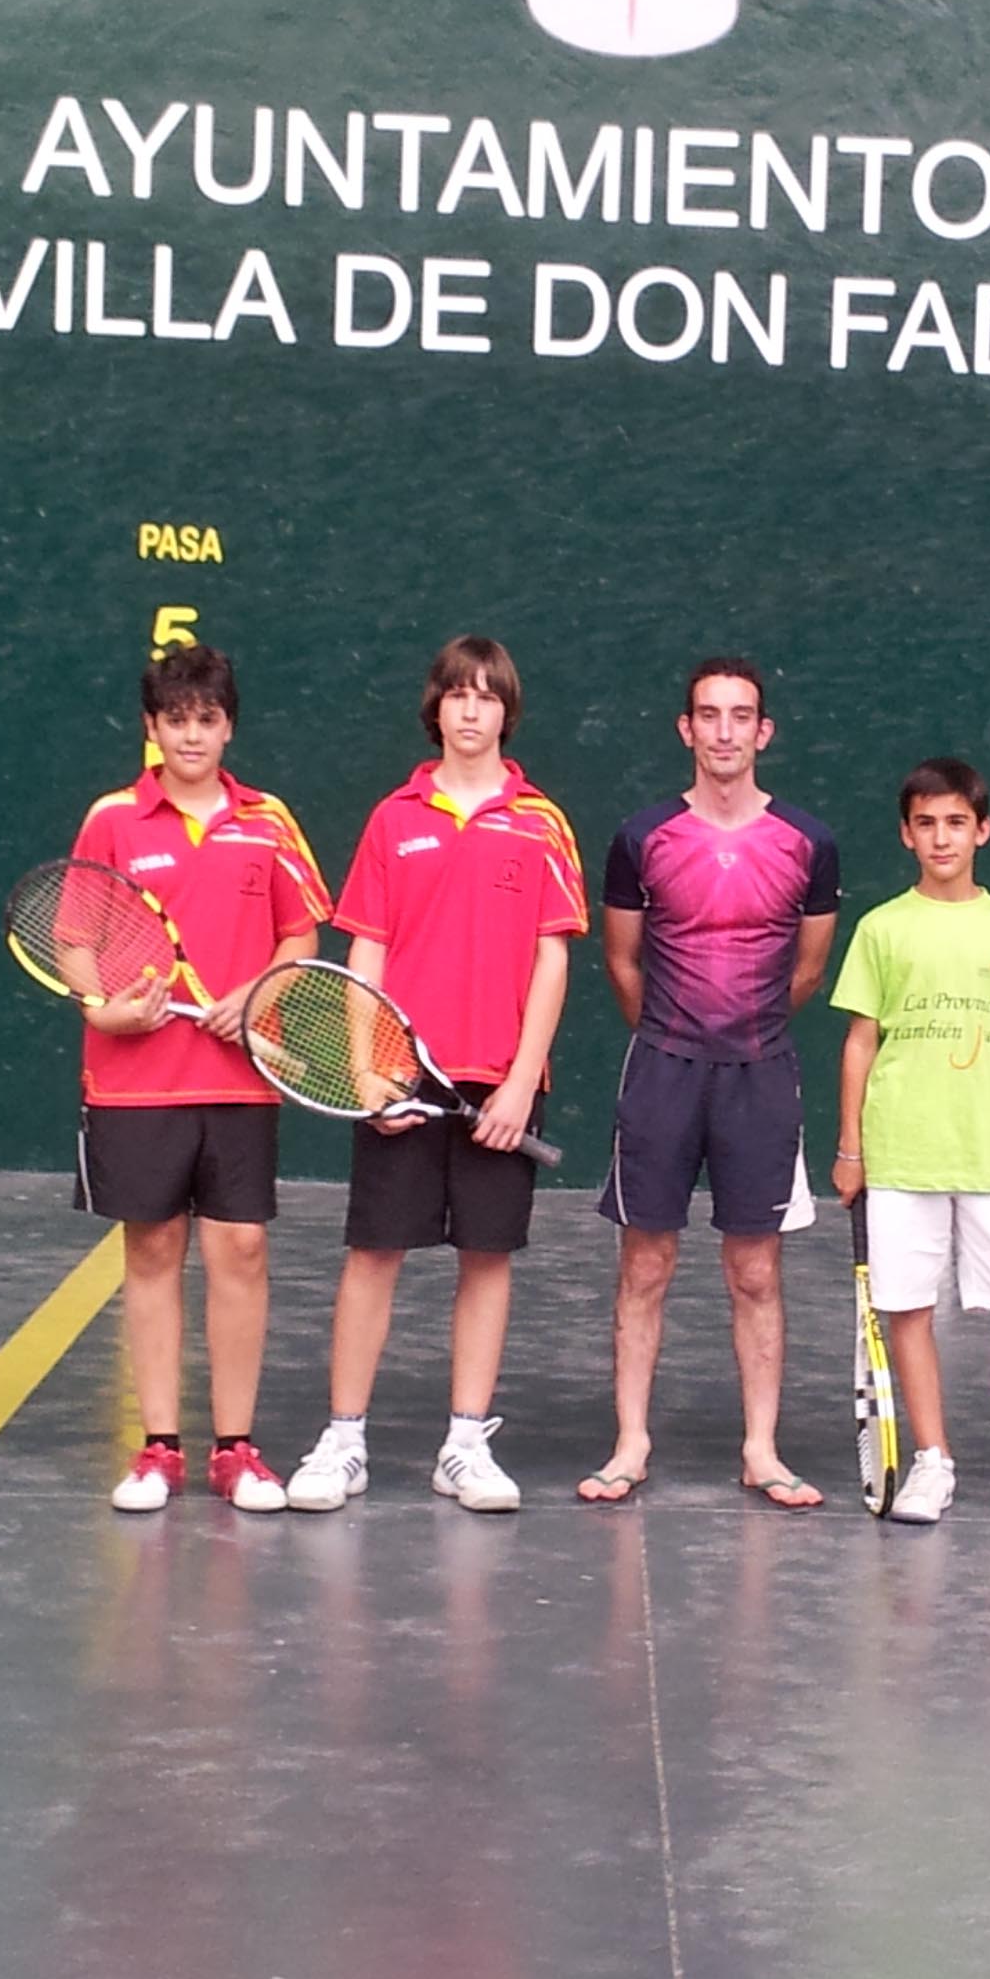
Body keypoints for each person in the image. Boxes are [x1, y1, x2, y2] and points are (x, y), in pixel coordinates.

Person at [287, 636, 585, 1515]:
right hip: (399, 1076)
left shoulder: (541, 821)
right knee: (373, 1253)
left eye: (487, 696)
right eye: (458, 694)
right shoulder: (393, 819)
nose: (471, 710)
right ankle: (344, 1440)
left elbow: (553, 958)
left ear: (506, 712)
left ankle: (465, 1444)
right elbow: (367, 951)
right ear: (437, 707)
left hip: (500, 1081)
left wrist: (523, 1081)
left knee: (486, 1258)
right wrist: (365, 1074)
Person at [66, 645, 332, 1515]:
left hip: (239, 1079)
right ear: (152, 728)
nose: (191, 735)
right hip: (136, 1082)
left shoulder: (269, 821)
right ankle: (158, 1450)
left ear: (229, 727)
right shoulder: (111, 820)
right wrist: (104, 1010)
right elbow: (74, 940)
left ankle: (235, 1450)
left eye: (207, 719)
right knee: (151, 1251)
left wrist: (256, 996)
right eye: (175, 720)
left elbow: (300, 935)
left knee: (240, 1250)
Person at [576, 657, 840, 1508]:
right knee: (645, 1263)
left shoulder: (807, 842)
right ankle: (630, 1443)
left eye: (741, 716)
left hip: (761, 1074)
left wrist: (741, 1032)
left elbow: (807, 971)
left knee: (755, 1271)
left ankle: (762, 1449)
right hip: (661, 1070)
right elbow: (622, 962)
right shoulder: (642, 837)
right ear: (686, 729)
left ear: (764, 732)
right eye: (710, 715)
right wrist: (675, 1033)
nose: (725, 732)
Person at [827, 759, 990, 1527]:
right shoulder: (882, 928)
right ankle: (932, 1461)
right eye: (926, 824)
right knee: (909, 1308)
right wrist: (851, 1147)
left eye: (955, 823)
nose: (941, 838)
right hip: (902, 1150)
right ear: (906, 835)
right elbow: (861, 1041)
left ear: (983, 830)